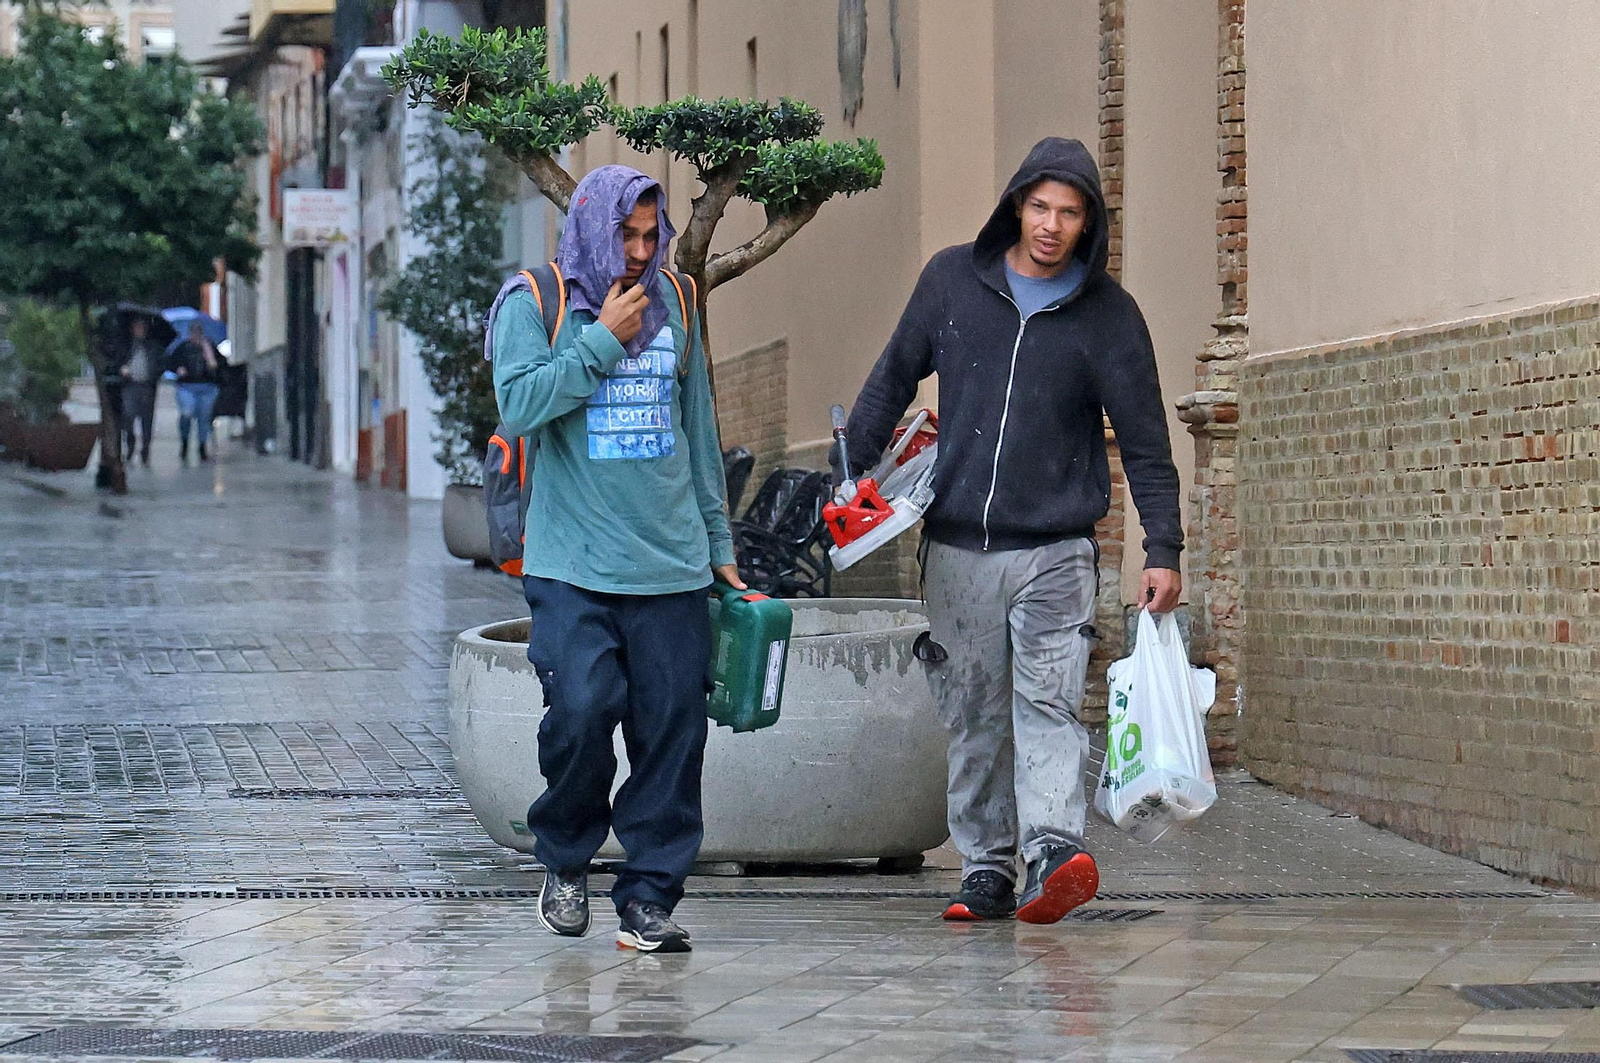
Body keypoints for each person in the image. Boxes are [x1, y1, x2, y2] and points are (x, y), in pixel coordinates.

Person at [835, 137, 1185, 925]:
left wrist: (1162, 547)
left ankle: (1053, 848)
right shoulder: (951, 281)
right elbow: (892, 376)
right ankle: (986, 866)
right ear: (1017, 206)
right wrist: (849, 471)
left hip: (1057, 550)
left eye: (1070, 212)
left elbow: (1146, 441)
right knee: (975, 714)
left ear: (1089, 223)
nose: (1052, 225)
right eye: (1040, 207)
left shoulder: (1110, 316)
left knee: (1048, 704)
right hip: (958, 546)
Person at [489, 165, 741, 954]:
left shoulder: (679, 301)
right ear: (590, 228)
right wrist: (601, 339)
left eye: (649, 235)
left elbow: (697, 429)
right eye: (624, 235)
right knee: (582, 710)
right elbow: (519, 406)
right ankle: (566, 858)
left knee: (673, 734)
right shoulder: (536, 302)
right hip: (572, 563)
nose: (638, 252)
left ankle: (650, 897)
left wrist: (720, 545)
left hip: (671, 564)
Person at [167, 322, 220, 462]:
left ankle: (202, 446)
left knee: (204, 417)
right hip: (187, 385)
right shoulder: (183, 348)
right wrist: (178, 369)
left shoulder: (209, 347)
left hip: (207, 387)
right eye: (194, 333)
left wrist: (210, 357)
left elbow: (218, 366)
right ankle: (184, 442)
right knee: (186, 413)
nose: (196, 336)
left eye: (198, 333)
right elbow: (170, 362)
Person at [117, 318, 162, 466]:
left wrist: (154, 375)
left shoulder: (153, 347)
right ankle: (130, 446)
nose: (140, 330)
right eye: (137, 327)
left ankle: (145, 450)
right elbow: (118, 361)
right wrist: (122, 369)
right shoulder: (127, 346)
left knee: (146, 420)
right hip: (130, 386)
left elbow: (160, 364)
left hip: (147, 387)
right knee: (128, 416)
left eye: (142, 328)